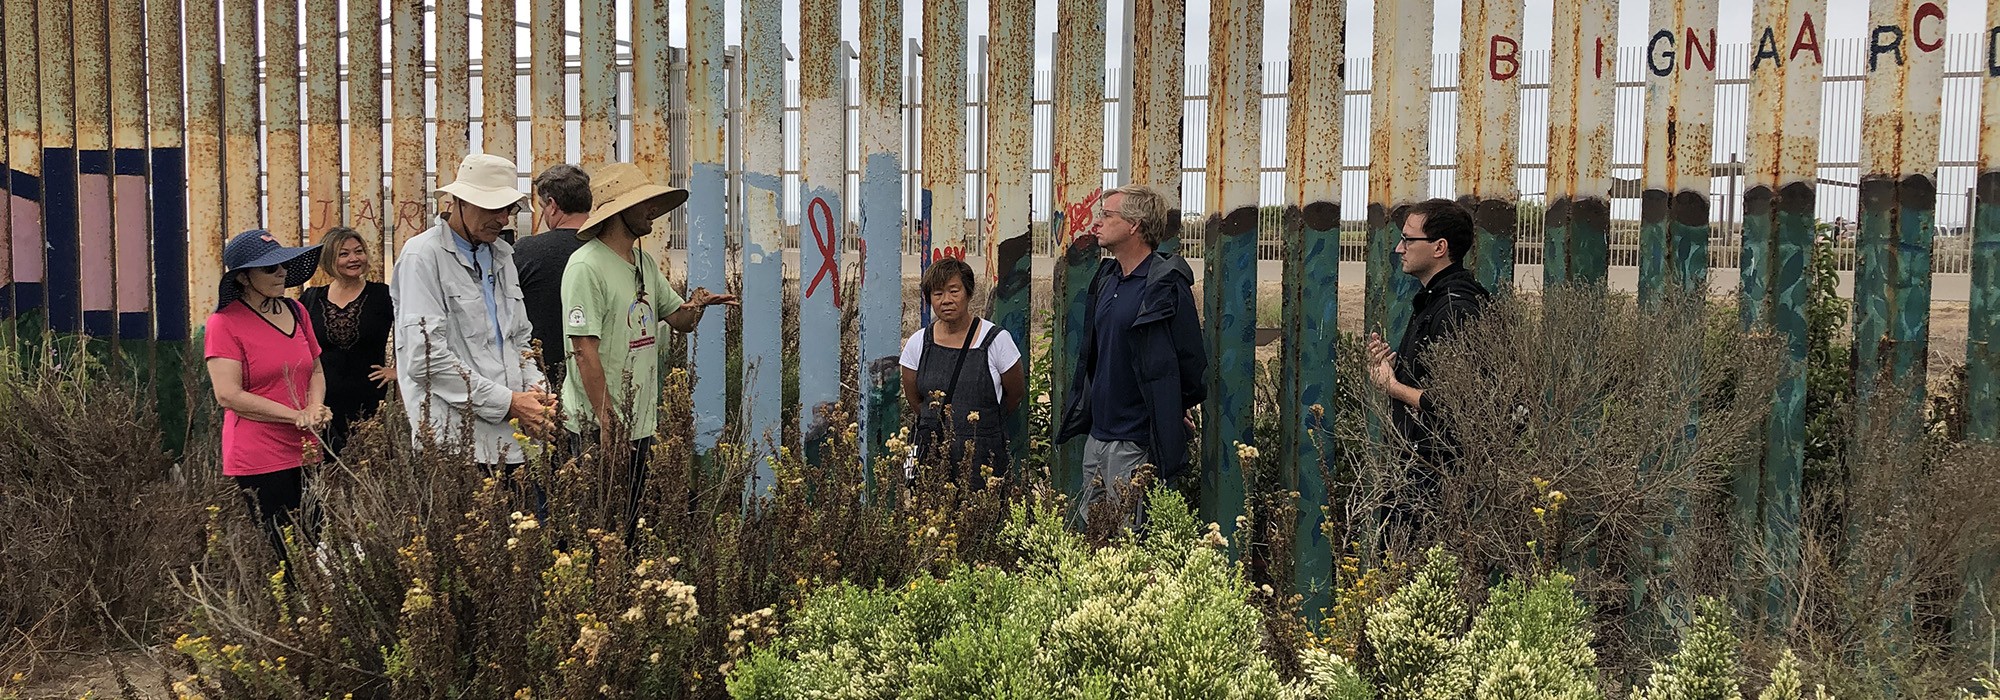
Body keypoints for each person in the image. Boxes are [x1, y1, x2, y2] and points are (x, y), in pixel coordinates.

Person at [560, 162, 737, 542]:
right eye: (643, 204)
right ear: (618, 212)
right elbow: (583, 350)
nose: (652, 211)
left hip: (639, 426)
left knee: (635, 530)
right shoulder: (586, 267)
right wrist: (608, 422)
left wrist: (699, 304)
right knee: (601, 533)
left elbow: (679, 320)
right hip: (600, 429)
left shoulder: (642, 263)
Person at [1054, 184, 1207, 529]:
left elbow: (1192, 364)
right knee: (1092, 538)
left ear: (1135, 225)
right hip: (1098, 437)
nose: (1097, 223)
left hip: (1135, 442)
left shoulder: (1165, 286)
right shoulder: (1107, 279)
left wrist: (1170, 407)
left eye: (1107, 216)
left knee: (1128, 542)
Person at [392, 153, 557, 471]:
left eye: (507, 209)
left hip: (514, 442)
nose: (502, 219)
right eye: (491, 207)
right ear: (457, 202)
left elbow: (519, 339)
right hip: (454, 446)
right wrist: (509, 402)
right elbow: (425, 360)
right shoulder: (423, 256)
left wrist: (538, 392)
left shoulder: (502, 255)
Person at [1365, 198, 1491, 538]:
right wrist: (1397, 368)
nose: (1398, 248)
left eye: (1408, 239)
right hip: (1425, 470)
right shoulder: (1438, 300)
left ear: (1440, 247)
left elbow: (1460, 402)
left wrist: (1392, 387)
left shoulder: (1454, 307)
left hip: (1436, 477)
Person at [204, 229, 332, 559]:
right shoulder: (224, 324)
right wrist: (296, 416)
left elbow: (315, 371)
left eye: (283, 265)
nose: (281, 272)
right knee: (286, 552)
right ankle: (287, 611)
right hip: (259, 455)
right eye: (269, 268)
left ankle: (312, 611)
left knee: (315, 542)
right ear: (243, 278)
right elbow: (228, 395)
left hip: (305, 448)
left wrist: (316, 407)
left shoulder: (297, 311)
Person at [899, 257, 1025, 485]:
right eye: (937, 294)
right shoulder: (918, 343)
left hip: (985, 458)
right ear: (929, 299)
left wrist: (980, 426)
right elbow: (915, 400)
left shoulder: (996, 340)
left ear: (968, 293)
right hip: (933, 455)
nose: (946, 300)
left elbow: (1015, 394)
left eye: (953, 291)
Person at [299, 227, 394, 458]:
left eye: (359, 251)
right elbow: (296, 346)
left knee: (369, 465)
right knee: (323, 468)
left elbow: (414, 334)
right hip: (323, 401)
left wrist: (399, 370)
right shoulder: (311, 299)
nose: (354, 259)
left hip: (369, 399)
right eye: (344, 254)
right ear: (330, 259)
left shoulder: (383, 296)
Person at [514, 164, 593, 386]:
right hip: (598, 379)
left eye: (541, 206)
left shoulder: (527, 251)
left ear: (552, 205)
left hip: (540, 380)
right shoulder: (606, 247)